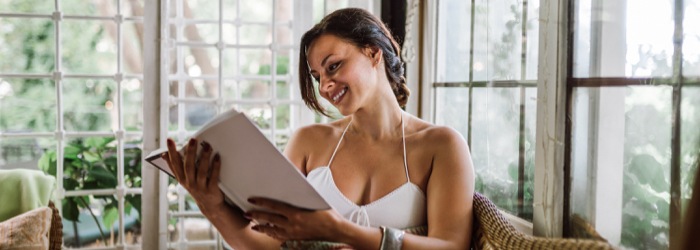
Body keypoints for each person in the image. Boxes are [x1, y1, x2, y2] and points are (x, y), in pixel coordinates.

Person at [163, 8, 474, 249]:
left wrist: (337, 230)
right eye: (317, 76)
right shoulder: (309, 143)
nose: (325, 85)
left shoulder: (442, 146)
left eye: (334, 65)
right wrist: (212, 207)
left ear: (373, 52)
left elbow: (451, 246)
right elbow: (264, 246)